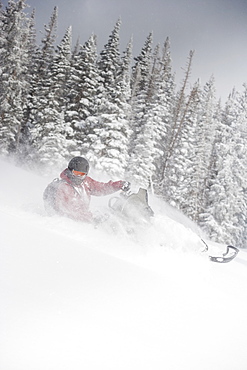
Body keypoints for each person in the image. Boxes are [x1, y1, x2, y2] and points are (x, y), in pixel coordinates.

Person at [52, 156, 130, 223]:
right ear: (70, 171)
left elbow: (101, 188)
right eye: (76, 173)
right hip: (69, 223)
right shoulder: (63, 187)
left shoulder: (85, 182)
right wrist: (92, 218)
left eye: (82, 174)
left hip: (86, 219)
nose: (79, 177)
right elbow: (69, 211)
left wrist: (119, 185)